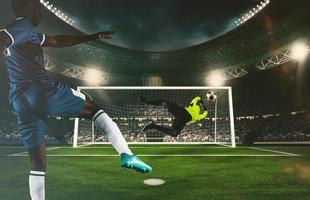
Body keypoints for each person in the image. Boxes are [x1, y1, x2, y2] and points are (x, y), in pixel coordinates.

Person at [0, 0, 152, 199]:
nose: (41, 13)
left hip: (20, 101)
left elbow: (56, 40)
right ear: (29, 7)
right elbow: (2, 37)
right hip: (41, 91)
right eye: (38, 7)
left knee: (37, 163)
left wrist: (90, 37)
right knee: (94, 109)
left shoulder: (28, 34)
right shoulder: (22, 26)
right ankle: (126, 154)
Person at [141, 96, 208, 137]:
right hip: (183, 115)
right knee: (165, 103)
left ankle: (152, 125)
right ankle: (147, 102)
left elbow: (204, 112)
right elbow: (198, 99)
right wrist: (203, 105)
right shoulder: (195, 110)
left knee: (174, 133)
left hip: (182, 117)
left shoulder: (196, 111)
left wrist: (203, 104)